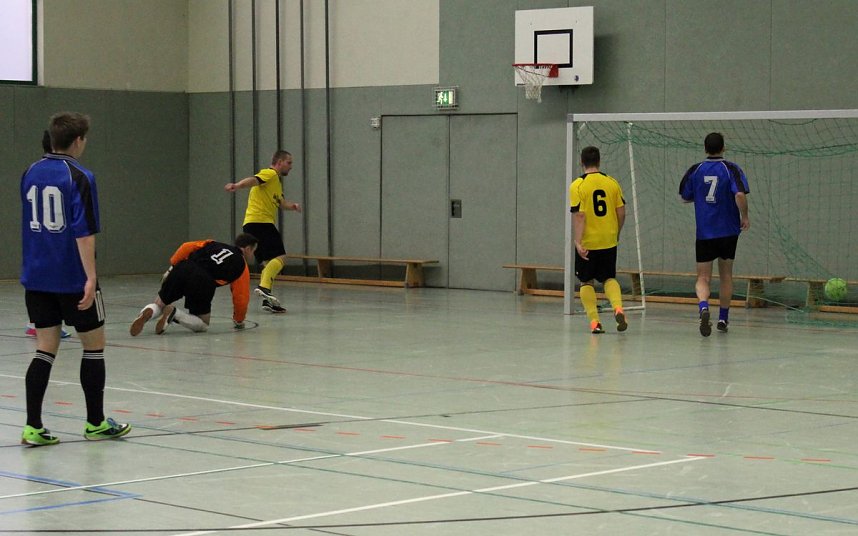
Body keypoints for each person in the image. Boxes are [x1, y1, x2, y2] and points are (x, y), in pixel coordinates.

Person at [19, 112, 131, 446]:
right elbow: (84, 233)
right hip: (71, 278)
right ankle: (95, 422)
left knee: (44, 348)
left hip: (36, 278)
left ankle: (33, 426)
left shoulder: (30, 172)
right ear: (78, 140)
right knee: (94, 347)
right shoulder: (80, 176)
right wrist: (90, 277)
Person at [679, 132, 750, 336]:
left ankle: (703, 306)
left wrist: (702, 198)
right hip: (728, 231)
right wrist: (744, 216)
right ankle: (723, 319)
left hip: (705, 232)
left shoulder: (696, 170)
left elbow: (684, 196)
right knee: (726, 275)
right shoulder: (731, 169)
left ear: (705, 149)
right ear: (723, 148)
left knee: (703, 277)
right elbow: (739, 194)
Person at [130, 234, 258, 336]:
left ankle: (148, 313)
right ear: (247, 249)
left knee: (159, 303)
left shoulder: (213, 244)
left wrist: (172, 267)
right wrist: (239, 320)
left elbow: (186, 247)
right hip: (203, 281)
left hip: (183, 267)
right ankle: (175, 313)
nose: (253, 255)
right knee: (203, 324)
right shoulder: (242, 267)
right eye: (253, 251)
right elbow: (241, 297)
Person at [224, 150, 301, 314]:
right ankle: (264, 287)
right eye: (289, 163)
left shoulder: (276, 183)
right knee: (280, 257)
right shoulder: (270, 174)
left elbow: (280, 203)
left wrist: (292, 206)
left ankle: (268, 301)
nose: (291, 166)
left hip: (252, 224)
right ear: (279, 162)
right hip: (261, 223)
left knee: (268, 264)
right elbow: (254, 180)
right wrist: (237, 185)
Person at [570, 146, 628, 334]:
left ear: (582, 162)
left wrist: (578, 242)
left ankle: (595, 322)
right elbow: (621, 211)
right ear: (599, 161)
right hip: (608, 239)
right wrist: (616, 232)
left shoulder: (577, 185)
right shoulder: (612, 183)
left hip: (589, 241)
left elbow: (580, 216)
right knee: (609, 277)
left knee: (586, 281)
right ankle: (618, 308)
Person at [25, 131, 72, 340]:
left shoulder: (32, 172)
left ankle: (37, 322)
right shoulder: (66, 173)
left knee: (39, 284)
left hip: (37, 243)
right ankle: (41, 322)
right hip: (54, 241)